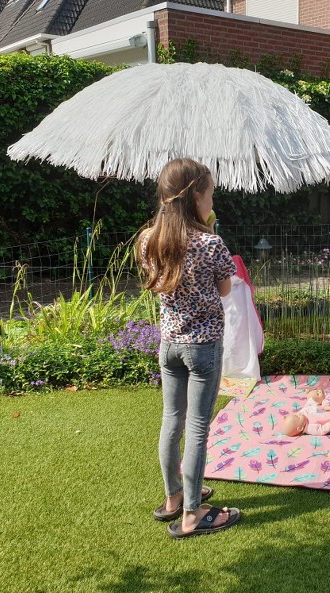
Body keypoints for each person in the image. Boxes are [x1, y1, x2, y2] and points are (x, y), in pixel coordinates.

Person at [137, 158, 242, 539]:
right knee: (197, 428)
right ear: (196, 196)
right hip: (203, 348)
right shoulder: (211, 243)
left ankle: (173, 498)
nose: (212, 201)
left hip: (169, 345)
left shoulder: (148, 239)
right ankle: (193, 514)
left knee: (172, 422)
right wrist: (209, 232)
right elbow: (225, 290)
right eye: (210, 194)